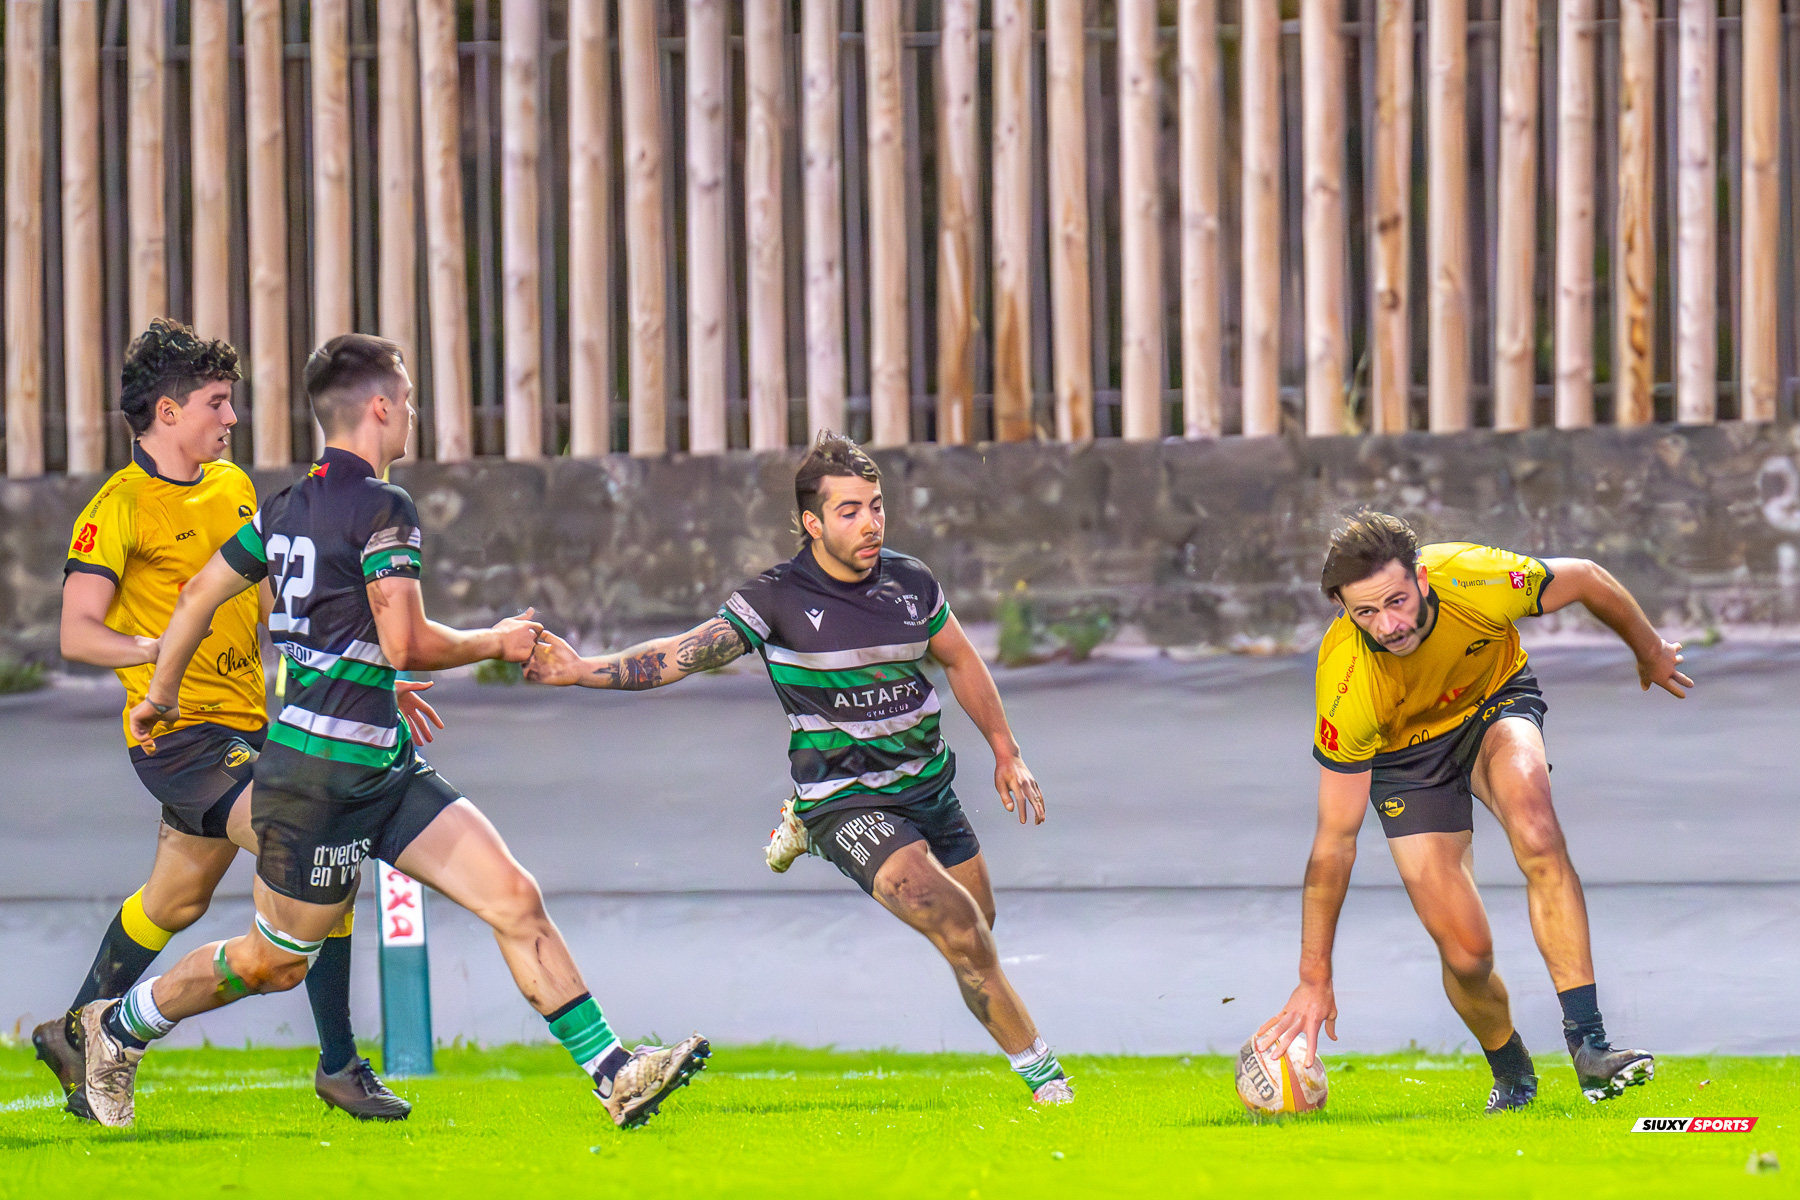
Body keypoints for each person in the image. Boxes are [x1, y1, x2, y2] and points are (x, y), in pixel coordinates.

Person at [81, 334, 707, 1130]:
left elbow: (202, 592)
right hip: (314, 788)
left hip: (382, 767)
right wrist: (499, 640)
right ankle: (119, 1026)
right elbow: (406, 639)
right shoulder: (385, 507)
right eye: (407, 400)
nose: (411, 414)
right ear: (380, 406)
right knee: (272, 962)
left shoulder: (282, 507)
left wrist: (160, 691)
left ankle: (612, 1070)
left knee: (513, 895)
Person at [526, 431, 1074, 1107]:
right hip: (844, 798)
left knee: (978, 933)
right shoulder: (779, 599)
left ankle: (803, 827)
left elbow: (961, 659)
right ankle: (1050, 1087)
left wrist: (1005, 749)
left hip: (927, 785)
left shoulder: (911, 581)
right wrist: (581, 670)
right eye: (849, 511)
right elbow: (682, 654)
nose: (870, 522)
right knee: (959, 927)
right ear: (812, 524)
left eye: (876, 506)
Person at [36, 318, 422, 1121]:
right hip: (178, 736)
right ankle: (340, 1065)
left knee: (174, 902)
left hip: (254, 727)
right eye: (218, 403)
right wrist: (166, 644)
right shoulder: (119, 507)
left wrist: (368, 671)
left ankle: (76, 1033)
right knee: (316, 841)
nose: (232, 419)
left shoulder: (237, 487)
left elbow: (289, 602)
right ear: (169, 413)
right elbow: (76, 631)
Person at [1258, 511, 1689, 1112]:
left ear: (1423, 580)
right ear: (1343, 608)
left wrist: (1650, 652)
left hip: (1493, 704)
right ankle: (1512, 1073)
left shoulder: (1474, 578)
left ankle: (1590, 1047)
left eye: (1398, 601)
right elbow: (1334, 842)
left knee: (1536, 825)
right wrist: (1313, 976)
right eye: (1366, 613)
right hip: (1405, 763)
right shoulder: (1345, 683)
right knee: (1467, 955)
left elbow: (1588, 578)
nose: (1389, 624)